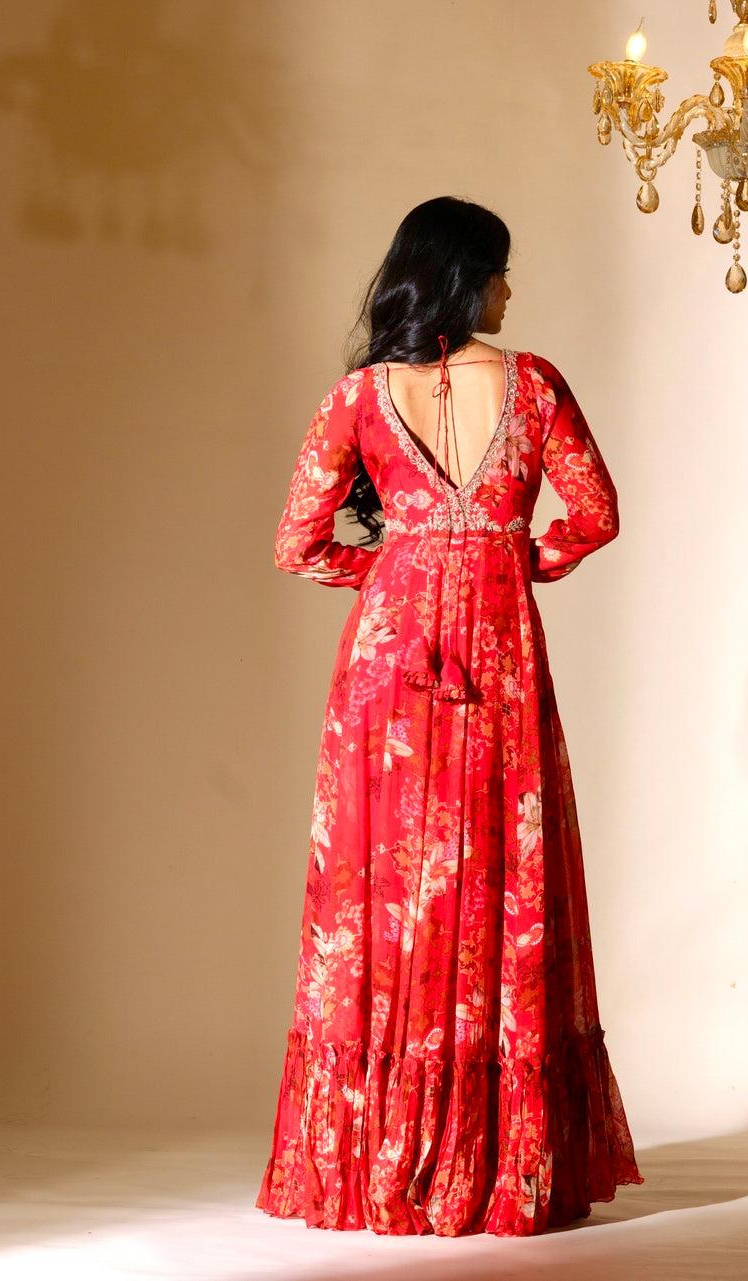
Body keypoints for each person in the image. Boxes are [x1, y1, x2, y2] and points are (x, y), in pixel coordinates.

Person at [255, 196, 642, 1237]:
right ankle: (503, 1165)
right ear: (466, 277)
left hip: (387, 674)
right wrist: (513, 563)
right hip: (501, 660)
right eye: (500, 273)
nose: (510, 292)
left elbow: (296, 543)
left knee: (388, 895)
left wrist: (393, 576)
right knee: (499, 881)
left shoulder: (355, 398)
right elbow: (595, 513)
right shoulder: (535, 384)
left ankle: (384, 1166)